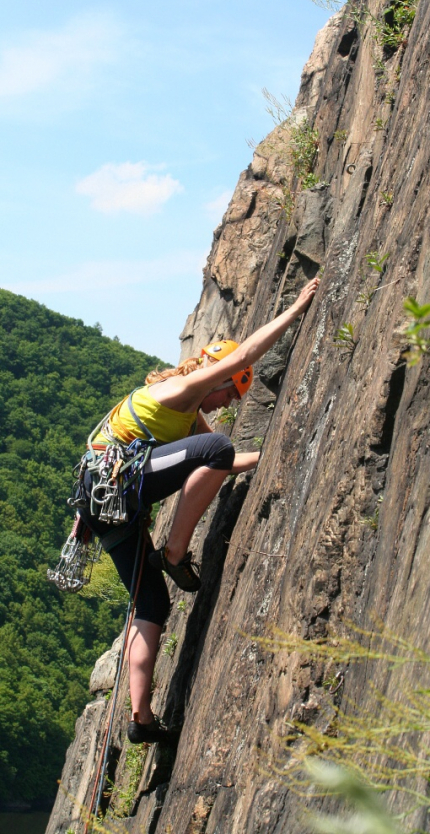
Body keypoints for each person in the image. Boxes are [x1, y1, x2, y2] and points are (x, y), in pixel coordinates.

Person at [82, 277, 319, 744]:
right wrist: (295, 310)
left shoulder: (186, 413)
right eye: (230, 392)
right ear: (217, 375)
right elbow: (245, 358)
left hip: (101, 499)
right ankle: (173, 555)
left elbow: (222, 463)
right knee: (217, 445)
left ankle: (141, 719)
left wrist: (274, 454)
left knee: (151, 604)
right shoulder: (182, 390)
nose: (229, 400)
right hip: (115, 486)